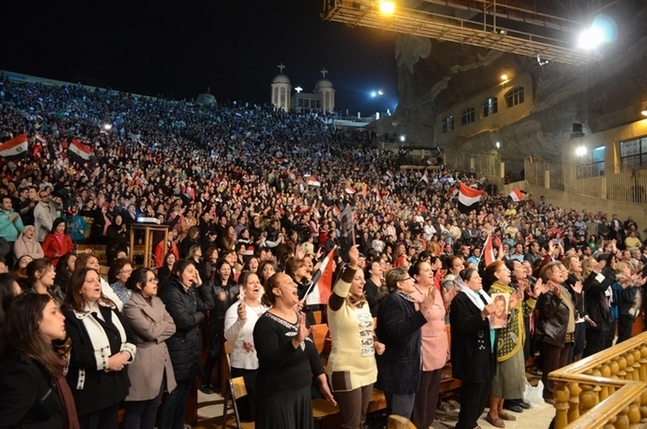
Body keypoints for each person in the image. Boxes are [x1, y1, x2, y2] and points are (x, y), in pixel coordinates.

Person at [253, 272, 336, 429]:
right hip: (278, 396)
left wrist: (322, 380)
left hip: (302, 394)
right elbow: (269, 360)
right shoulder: (265, 324)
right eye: (289, 282)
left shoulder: (299, 316)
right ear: (277, 291)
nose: (295, 285)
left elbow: (310, 351)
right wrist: (295, 341)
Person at [63, 267, 137, 429]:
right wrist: (107, 362)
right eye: (90, 281)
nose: (97, 284)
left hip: (115, 385)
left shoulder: (108, 307)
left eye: (98, 279)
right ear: (78, 288)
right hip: (90, 391)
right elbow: (76, 352)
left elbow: (130, 336)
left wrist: (125, 355)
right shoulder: (70, 315)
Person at [0, 293, 79, 429]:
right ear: (35, 320)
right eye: (54, 312)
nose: (62, 317)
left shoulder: (43, 358)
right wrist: (53, 424)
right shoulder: (21, 371)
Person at [328, 246, 384, 429]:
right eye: (356, 278)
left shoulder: (363, 303)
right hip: (346, 370)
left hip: (367, 368)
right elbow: (339, 293)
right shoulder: (335, 304)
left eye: (362, 278)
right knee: (350, 423)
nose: (362, 282)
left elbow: (367, 328)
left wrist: (375, 342)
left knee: (360, 421)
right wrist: (352, 265)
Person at [158, 260, 213, 429]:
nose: (193, 275)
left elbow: (209, 304)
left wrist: (201, 284)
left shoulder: (188, 290)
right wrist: (201, 316)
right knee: (175, 394)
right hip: (178, 347)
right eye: (190, 271)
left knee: (184, 393)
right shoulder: (171, 290)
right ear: (178, 272)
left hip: (190, 347)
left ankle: (178, 425)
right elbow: (183, 320)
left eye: (195, 271)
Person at [375, 267, 433, 420]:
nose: (413, 281)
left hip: (406, 370)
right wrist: (422, 312)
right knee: (399, 418)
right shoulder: (393, 300)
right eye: (409, 279)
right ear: (399, 284)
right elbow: (396, 330)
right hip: (398, 371)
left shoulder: (403, 299)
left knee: (404, 417)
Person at [122, 268, 177, 429]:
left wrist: (157, 329)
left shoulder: (158, 301)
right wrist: (160, 328)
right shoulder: (131, 306)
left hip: (160, 359)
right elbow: (149, 331)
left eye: (155, 279)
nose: (156, 283)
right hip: (143, 361)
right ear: (140, 284)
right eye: (151, 280)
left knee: (153, 407)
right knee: (137, 409)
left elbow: (172, 326)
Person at [450, 268, 497, 429]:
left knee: (484, 390)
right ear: (466, 282)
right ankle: (465, 425)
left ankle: (472, 422)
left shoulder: (482, 296)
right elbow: (462, 326)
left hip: (486, 350)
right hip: (470, 352)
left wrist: (508, 308)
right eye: (476, 278)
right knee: (473, 393)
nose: (480, 280)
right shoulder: (461, 299)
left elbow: (495, 319)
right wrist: (482, 315)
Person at [484, 261, 525, 428]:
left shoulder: (509, 290)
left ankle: (500, 408)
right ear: (496, 275)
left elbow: (524, 312)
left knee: (509, 378)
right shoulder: (495, 291)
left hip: (515, 339)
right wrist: (511, 306)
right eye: (505, 270)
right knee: (500, 379)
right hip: (503, 342)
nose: (509, 272)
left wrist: (533, 297)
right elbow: (497, 321)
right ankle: (492, 411)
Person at [223, 271, 268, 421]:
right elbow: (229, 337)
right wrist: (240, 321)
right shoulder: (235, 310)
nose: (256, 285)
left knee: (264, 411)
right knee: (247, 415)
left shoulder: (266, 308)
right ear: (243, 288)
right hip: (243, 368)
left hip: (263, 365)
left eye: (258, 282)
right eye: (251, 282)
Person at [410, 259, 449, 429]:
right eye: (426, 270)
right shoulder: (414, 294)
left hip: (439, 345)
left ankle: (428, 422)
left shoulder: (435, 291)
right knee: (422, 393)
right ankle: (419, 424)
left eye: (430, 269)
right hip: (424, 347)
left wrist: (447, 302)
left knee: (433, 392)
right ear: (416, 276)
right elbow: (416, 321)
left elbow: (440, 317)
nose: (431, 272)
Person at [536, 261, 575, 404]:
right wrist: (556, 299)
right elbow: (546, 313)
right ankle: (549, 393)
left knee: (562, 366)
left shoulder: (563, 288)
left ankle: (558, 390)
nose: (560, 272)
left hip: (566, 331)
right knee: (552, 366)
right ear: (549, 275)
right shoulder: (548, 291)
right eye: (556, 271)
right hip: (554, 332)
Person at [200, 259, 238, 393]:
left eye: (228, 269)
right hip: (216, 321)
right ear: (218, 271)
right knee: (214, 352)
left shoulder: (235, 286)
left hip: (232, 321)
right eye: (223, 269)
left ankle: (229, 385)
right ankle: (205, 382)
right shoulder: (211, 286)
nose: (226, 271)